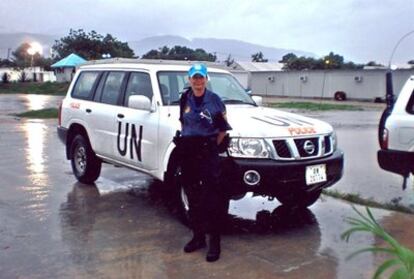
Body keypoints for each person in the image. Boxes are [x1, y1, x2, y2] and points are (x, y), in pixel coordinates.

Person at [177, 63, 231, 262]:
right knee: (192, 195)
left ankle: (214, 243)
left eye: (201, 77)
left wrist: (210, 147)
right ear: (189, 79)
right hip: (188, 150)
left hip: (208, 151)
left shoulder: (215, 100)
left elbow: (222, 129)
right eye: (194, 77)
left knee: (212, 198)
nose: (198, 81)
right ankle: (198, 237)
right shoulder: (185, 98)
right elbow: (183, 123)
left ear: (206, 79)